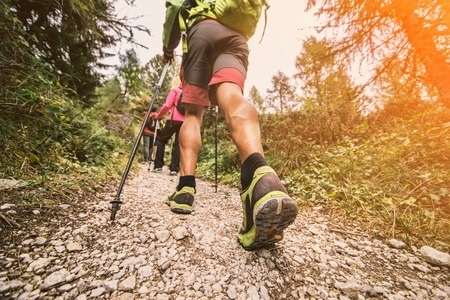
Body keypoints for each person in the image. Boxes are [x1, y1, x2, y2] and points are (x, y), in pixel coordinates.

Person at [161, 0, 298, 250]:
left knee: (192, 114)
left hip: (202, 33)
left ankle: (185, 189)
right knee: (232, 96)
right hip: (236, 37)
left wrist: (167, 48)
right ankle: (261, 175)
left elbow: (173, 9)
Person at [152, 77, 184, 175]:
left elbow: (167, 105)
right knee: (178, 144)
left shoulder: (175, 90)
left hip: (173, 120)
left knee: (161, 140)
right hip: (185, 122)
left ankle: (158, 166)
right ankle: (174, 169)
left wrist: (158, 116)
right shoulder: (188, 92)